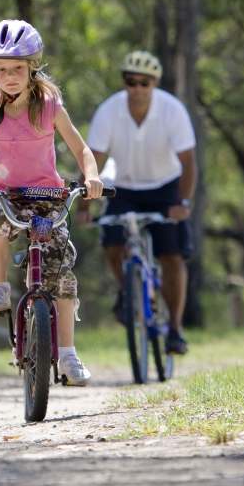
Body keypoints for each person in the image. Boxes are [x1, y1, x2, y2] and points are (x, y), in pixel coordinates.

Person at [0, 19, 104, 386]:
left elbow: (81, 148)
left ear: (31, 67)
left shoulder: (49, 105)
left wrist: (92, 176)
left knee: (61, 275)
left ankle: (67, 355)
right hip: (2, 194)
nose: (9, 77)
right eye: (1, 70)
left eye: (17, 69)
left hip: (45, 197)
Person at [85, 50, 196, 355]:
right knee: (111, 241)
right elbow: (94, 159)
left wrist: (183, 202)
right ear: (124, 82)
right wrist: (84, 205)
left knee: (172, 255)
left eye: (144, 83)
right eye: (130, 81)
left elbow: (188, 162)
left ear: (154, 84)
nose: (137, 88)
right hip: (124, 187)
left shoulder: (173, 111)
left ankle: (175, 328)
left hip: (166, 186)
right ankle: (129, 291)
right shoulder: (109, 111)